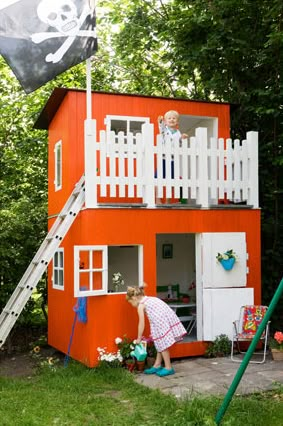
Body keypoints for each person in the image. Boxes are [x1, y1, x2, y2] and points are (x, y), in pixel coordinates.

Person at [126, 286, 187, 377]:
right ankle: (157, 364)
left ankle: (168, 367)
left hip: (160, 323)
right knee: (160, 344)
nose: (131, 304)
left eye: (130, 302)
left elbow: (141, 323)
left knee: (162, 345)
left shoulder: (141, 305)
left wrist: (139, 338)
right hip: (166, 319)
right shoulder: (151, 299)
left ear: (134, 298)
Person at [156, 110, 188, 203]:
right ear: (166, 121)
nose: (171, 120)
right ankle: (158, 199)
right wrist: (160, 121)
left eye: (174, 118)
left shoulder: (178, 132)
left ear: (177, 121)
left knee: (172, 179)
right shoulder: (164, 130)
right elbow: (161, 126)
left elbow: (179, 145)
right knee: (158, 178)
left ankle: (167, 200)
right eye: (169, 118)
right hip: (164, 158)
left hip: (173, 159)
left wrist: (182, 138)